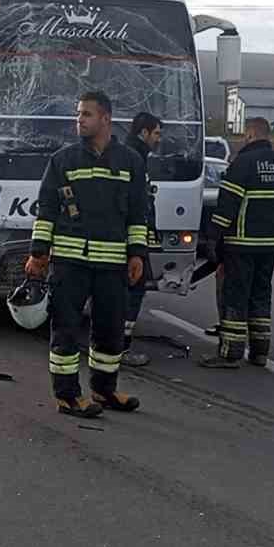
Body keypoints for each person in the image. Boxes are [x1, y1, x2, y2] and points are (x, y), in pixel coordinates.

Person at [25, 91, 150, 418]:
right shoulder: (63, 160)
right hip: (70, 263)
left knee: (110, 329)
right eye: (78, 114)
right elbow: (47, 210)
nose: (79, 119)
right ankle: (67, 396)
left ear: (106, 119)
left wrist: (137, 254)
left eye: (87, 114)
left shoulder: (130, 162)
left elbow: (139, 213)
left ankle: (104, 390)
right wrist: (38, 254)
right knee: (66, 329)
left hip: (112, 265)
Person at [200, 116, 274, 368]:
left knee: (236, 296)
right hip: (271, 244)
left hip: (241, 243)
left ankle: (230, 353)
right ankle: (260, 351)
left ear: (250, 134)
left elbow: (227, 205)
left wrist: (213, 237)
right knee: (261, 295)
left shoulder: (243, 163)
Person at [121, 111, 162, 367]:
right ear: (143, 132)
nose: (159, 139)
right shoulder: (134, 157)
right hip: (130, 239)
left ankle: (115, 344)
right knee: (133, 290)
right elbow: (136, 203)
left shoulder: (134, 155)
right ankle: (120, 347)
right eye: (156, 133)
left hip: (130, 237)